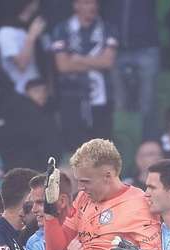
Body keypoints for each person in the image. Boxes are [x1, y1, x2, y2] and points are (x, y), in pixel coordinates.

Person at [50, 0, 119, 150]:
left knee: (102, 149)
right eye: (87, 3)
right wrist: (95, 61)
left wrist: (78, 59)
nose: (92, 7)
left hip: (101, 98)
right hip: (71, 96)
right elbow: (63, 66)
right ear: (76, 5)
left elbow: (107, 62)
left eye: (95, 3)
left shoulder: (108, 28)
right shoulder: (61, 29)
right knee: (75, 148)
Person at [105, 0, 161, 139]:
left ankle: (148, 143)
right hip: (116, 49)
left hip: (146, 48)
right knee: (119, 102)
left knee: (147, 101)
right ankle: (123, 142)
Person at [0, 0, 46, 94]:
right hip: (20, 93)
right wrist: (31, 37)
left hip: (39, 90)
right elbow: (21, 64)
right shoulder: (6, 32)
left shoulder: (30, 28)